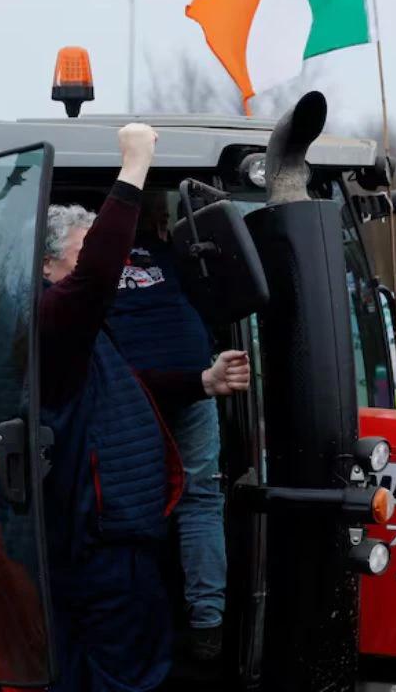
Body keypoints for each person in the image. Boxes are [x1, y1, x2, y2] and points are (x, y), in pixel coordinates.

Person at [39, 124, 249, 691]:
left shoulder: (90, 333)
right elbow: (99, 275)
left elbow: (127, 384)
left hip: (120, 543)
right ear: (48, 267)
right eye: (83, 254)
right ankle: (208, 622)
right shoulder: (55, 318)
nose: (108, 268)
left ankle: (204, 620)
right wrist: (133, 167)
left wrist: (201, 380)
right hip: (100, 543)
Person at [108, 191, 238, 659]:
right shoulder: (173, 257)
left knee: (129, 502)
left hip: (130, 391)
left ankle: (136, 620)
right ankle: (208, 624)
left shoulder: (89, 264)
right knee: (201, 501)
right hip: (194, 383)